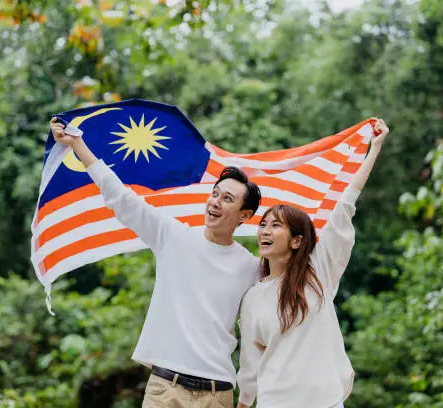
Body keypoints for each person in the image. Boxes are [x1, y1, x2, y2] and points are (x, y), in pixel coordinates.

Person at [50, 117, 262, 408]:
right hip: (166, 390)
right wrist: (78, 145)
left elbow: (259, 332)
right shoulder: (172, 236)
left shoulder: (251, 268)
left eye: (227, 199)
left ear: (244, 215)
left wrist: (248, 395)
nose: (215, 202)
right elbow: (121, 198)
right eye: (214, 193)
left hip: (217, 394)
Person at [236, 119, 390, 408]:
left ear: (296, 240)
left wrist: (375, 149)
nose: (265, 231)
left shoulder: (318, 272)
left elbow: (345, 206)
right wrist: (244, 403)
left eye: (276, 226)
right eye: (263, 225)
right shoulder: (254, 296)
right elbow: (250, 362)